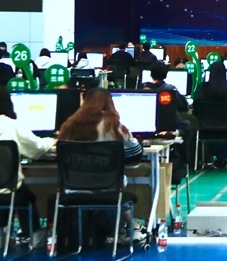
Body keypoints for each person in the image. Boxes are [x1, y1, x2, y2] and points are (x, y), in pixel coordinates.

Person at [57, 87, 143, 244]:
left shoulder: (69, 125)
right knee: (118, 182)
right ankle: (132, 227)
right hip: (107, 185)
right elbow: (136, 152)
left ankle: (126, 227)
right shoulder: (113, 126)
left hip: (74, 186)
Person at [0, 88, 54, 248]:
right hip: (7, 191)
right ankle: (34, 234)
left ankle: (4, 233)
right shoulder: (11, 126)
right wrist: (51, 140)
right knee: (24, 194)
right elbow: (37, 148)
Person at [193, 61, 227, 168]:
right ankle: (223, 156)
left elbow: (195, 108)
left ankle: (217, 157)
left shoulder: (202, 92)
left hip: (205, 131)